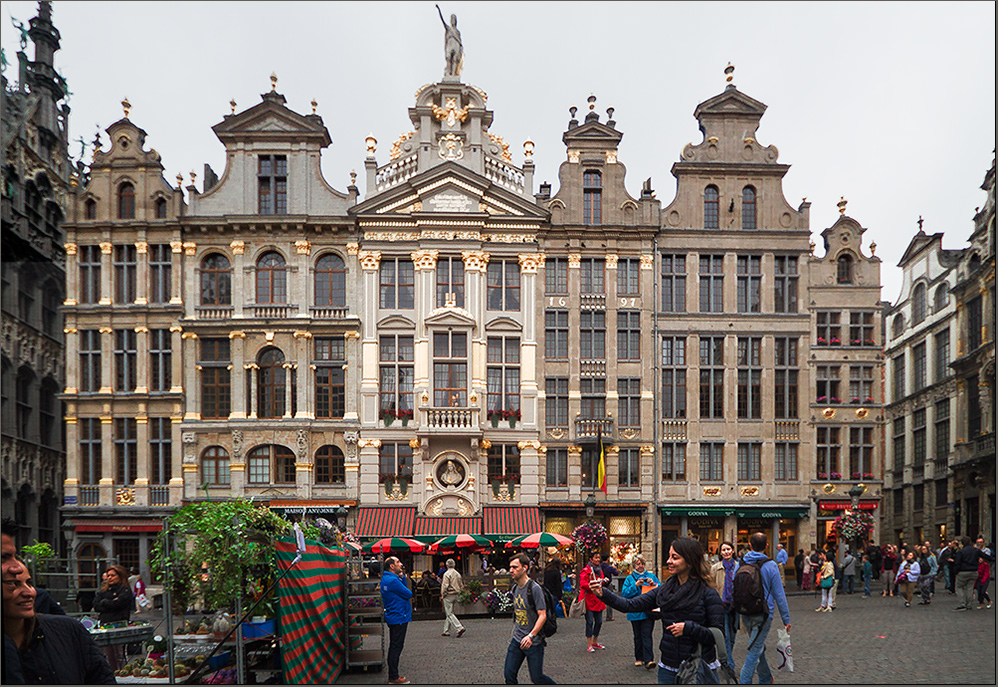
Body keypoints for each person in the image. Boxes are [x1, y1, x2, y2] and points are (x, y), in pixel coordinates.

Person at [591, 536, 725, 684]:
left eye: (675, 557)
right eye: (669, 556)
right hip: (668, 666)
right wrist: (603, 593)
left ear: (690, 560)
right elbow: (630, 605)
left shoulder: (708, 593)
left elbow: (717, 635)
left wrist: (688, 628)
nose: (669, 561)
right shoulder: (665, 590)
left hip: (698, 667)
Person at [3, 566, 116, 684]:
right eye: (13, 584)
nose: (30, 592)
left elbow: (102, 678)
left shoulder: (69, 631)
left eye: (29, 583)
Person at [736, 532, 791, 685]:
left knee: (757, 645)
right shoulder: (771, 565)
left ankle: (766, 678)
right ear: (767, 546)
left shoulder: (740, 564)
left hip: (745, 612)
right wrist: (786, 619)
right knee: (754, 650)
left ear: (750, 545)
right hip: (764, 614)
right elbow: (779, 595)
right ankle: (745, 682)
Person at [504, 552, 555, 685]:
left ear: (525, 568)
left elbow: (542, 615)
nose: (511, 570)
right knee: (509, 674)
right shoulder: (515, 588)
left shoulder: (534, 589)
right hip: (517, 639)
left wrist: (531, 636)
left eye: (515, 567)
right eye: (510, 567)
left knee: (537, 678)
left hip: (533, 642)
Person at [622, 554, 660, 670]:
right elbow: (624, 594)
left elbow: (661, 591)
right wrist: (635, 585)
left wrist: (653, 585)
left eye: (642, 564)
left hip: (648, 612)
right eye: (638, 564)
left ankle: (649, 660)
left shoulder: (651, 576)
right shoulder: (629, 578)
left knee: (647, 635)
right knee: (637, 636)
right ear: (634, 565)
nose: (640, 566)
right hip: (634, 612)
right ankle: (639, 658)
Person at [380, 556, 413, 685]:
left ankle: (393, 675)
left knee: (395, 646)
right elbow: (408, 593)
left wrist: (401, 576)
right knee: (396, 647)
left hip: (395, 615)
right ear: (392, 566)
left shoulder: (388, 578)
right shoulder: (393, 580)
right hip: (398, 616)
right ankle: (393, 676)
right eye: (398, 562)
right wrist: (402, 577)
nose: (401, 564)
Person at [708, 541, 739, 676]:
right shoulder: (715, 568)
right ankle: (729, 666)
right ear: (720, 552)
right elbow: (710, 587)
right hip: (721, 607)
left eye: (728, 549)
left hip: (736, 607)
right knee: (725, 636)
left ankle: (725, 660)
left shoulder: (739, 567)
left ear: (733, 551)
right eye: (723, 550)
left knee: (732, 637)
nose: (726, 552)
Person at [93, 564, 131, 670]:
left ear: (120, 576)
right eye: (108, 575)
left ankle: (123, 672)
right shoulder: (104, 590)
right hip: (105, 625)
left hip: (119, 624)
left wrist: (105, 603)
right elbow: (96, 605)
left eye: (113, 575)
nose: (109, 578)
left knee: (119, 653)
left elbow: (119, 604)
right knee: (109, 654)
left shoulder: (125, 590)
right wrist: (109, 603)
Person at [578, 551, 609, 652]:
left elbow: (601, 581)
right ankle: (589, 643)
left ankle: (595, 641)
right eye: (596, 558)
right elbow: (582, 583)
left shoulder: (600, 570)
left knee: (599, 622)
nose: (598, 560)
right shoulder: (586, 570)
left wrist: (604, 581)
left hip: (598, 600)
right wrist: (591, 585)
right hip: (589, 601)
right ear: (591, 559)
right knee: (590, 622)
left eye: (598, 558)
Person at [953, 536, 995, 611]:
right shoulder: (976, 550)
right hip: (974, 571)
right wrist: (993, 559)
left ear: (962, 543)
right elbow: (986, 556)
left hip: (963, 571)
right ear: (970, 542)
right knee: (970, 588)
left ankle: (962, 604)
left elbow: (957, 563)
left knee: (959, 587)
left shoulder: (961, 551)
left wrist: (955, 572)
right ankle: (969, 604)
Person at [440, 558, 466, 638]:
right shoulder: (457, 574)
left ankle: (459, 628)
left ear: (446, 565)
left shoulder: (447, 574)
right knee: (450, 612)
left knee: (449, 613)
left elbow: (445, 586)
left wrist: (442, 594)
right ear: (454, 565)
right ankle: (446, 630)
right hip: (456, 594)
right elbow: (461, 585)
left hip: (449, 595)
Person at [976, 544, 992, 609]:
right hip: (979, 579)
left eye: (981, 559)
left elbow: (986, 574)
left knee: (983, 591)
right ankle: (981, 603)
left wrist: (983, 581)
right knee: (979, 591)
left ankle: (989, 600)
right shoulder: (977, 565)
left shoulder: (985, 565)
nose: (980, 560)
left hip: (985, 579)